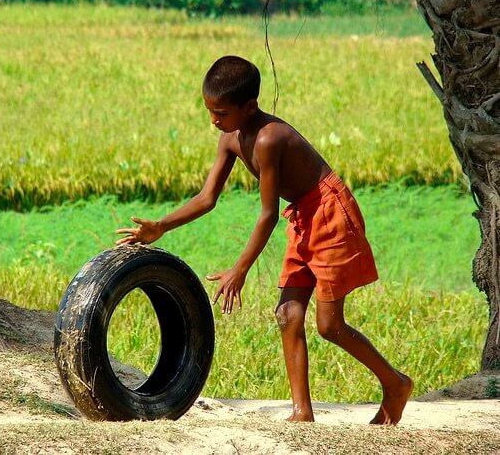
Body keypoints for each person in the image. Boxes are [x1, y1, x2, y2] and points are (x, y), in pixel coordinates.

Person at [115, 55, 412, 424]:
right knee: (288, 315)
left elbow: (268, 214)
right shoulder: (230, 138)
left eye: (221, 113)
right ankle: (302, 412)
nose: (213, 121)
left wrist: (239, 270)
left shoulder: (270, 139)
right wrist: (161, 226)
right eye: (209, 110)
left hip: (329, 212)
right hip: (303, 215)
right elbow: (208, 198)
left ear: (250, 106)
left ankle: (395, 383)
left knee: (329, 326)